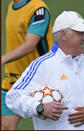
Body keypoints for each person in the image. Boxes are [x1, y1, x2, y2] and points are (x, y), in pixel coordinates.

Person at [5, 11, 84, 130]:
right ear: (63, 35)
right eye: (80, 33)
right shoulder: (42, 65)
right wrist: (39, 108)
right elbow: (12, 97)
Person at [1, 0, 53, 130]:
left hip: (39, 82)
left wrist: (2, 59)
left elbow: (30, 45)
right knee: (5, 127)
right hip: (13, 80)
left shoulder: (38, 9)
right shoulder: (11, 7)